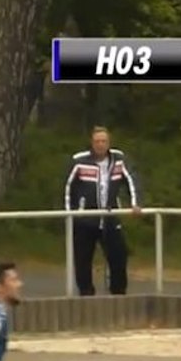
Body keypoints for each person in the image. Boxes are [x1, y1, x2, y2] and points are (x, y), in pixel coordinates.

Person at [64, 126, 141, 296]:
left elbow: (132, 180)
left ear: (109, 143)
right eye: (97, 141)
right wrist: (70, 213)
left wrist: (135, 203)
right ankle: (86, 295)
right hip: (85, 219)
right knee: (83, 260)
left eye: (103, 141)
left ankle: (118, 294)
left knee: (119, 256)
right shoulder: (79, 161)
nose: (100, 145)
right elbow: (68, 187)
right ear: (92, 143)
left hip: (110, 218)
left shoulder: (119, 159)